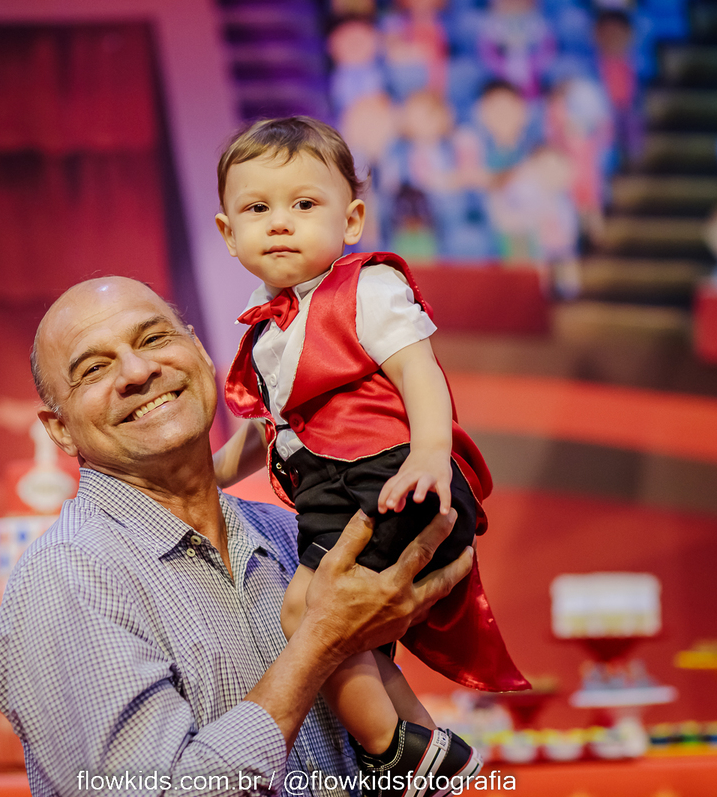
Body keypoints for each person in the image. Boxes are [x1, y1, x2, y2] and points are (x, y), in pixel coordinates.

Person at [0, 276, 474, 797]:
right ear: (60, 429)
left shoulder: (291, 536)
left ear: (201, 354)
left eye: (154, 339)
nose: (137, 371)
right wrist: (320, 643)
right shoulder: (67, 576)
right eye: (94, 369)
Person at [212, 117, 527, 791]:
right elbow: (274, 429)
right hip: (332, 487)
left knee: (307, 614)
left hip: (388, 476)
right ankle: (431, 753)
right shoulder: (267, 322)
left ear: (351, 219)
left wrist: (430, 456)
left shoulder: (367, 288)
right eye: (257, 209)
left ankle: (389, 753)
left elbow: (420, 373)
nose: (279, 223)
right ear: (228, 233)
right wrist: (206, 477)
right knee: (344, 632)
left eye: (304, 204)